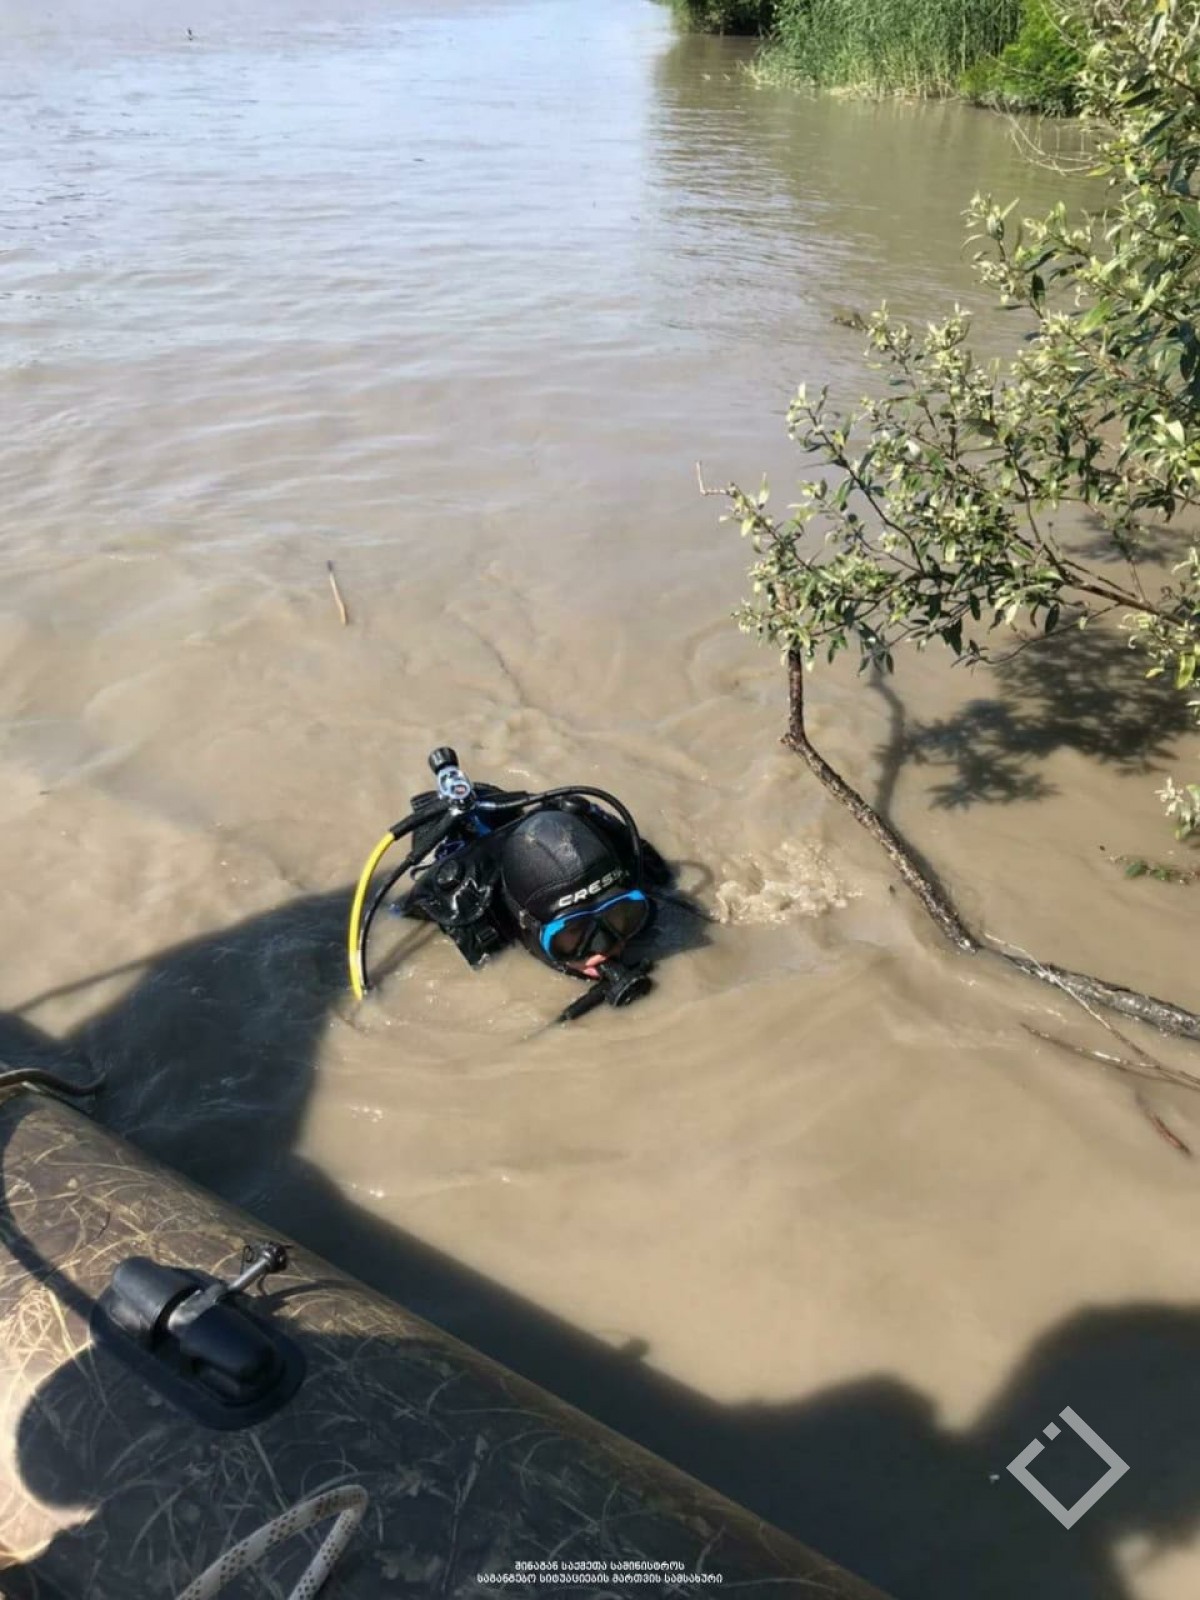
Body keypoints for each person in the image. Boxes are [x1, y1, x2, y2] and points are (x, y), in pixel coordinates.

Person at [348, 748, 670, 1021]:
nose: (604, 946)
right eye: (573, 934)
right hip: (456, 849)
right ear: (526, 923)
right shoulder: (464, 906)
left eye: (621, 915)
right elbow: (396, 917)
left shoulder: (618, 855)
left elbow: (655, 871)